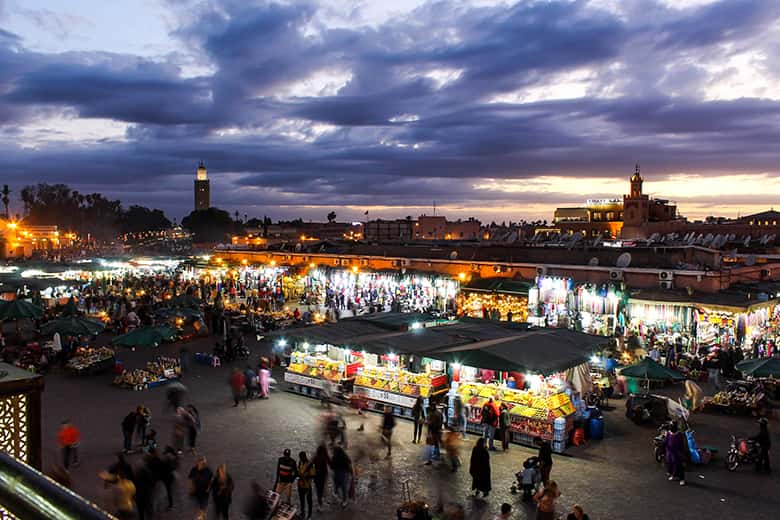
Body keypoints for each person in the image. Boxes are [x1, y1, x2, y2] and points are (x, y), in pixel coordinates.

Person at [188, 455, 213, 520]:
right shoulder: (194, 469)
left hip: (205, 492)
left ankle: (201, 517)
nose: (204, 464)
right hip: (196, 491)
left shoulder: (208, 470)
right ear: (198, 462)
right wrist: (191, 487)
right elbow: (191, 478)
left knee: (203, 506)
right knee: (198, 504)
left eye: (204, 463)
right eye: (202, 463)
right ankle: (202, 515)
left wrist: (208, 488)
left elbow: (211, 480)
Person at [297, 451, 315, 519]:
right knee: (302, 501)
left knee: (309, 501)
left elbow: (313, 475)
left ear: (304, 457)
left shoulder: (310, 465)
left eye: (301, 457)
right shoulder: (300, 462)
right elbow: (298, 470)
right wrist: (299, 475)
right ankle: (302, 513)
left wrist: (307, 476)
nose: (300, 459)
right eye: (300, 457)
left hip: (307, 486)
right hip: (300, 485)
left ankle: (309, 515)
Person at [312, 444, 330, 512]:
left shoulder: (316, 457)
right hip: (323, 475)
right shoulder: (325, 456)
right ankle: (322, 500)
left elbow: (310, 464)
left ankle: (320, 504)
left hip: (317, 476)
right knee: (322, 488)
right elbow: (331, 464)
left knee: (318, 490)